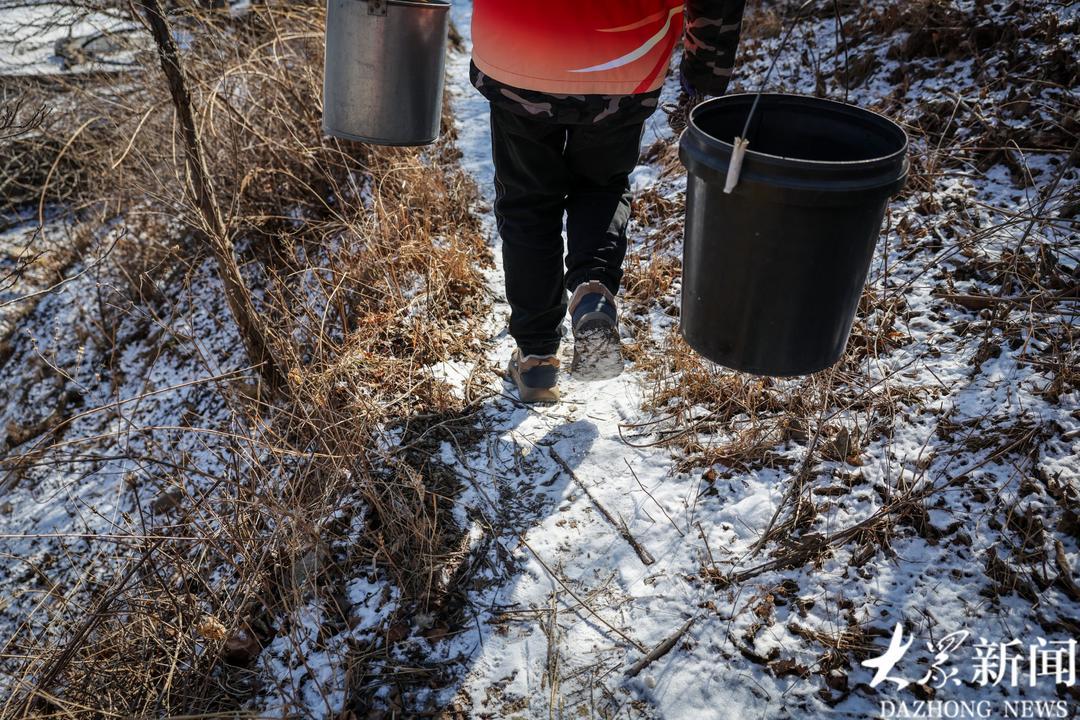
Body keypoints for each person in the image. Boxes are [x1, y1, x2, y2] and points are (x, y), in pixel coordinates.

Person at [470, 0, 747, 403]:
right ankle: (592, 294)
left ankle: (536, 360)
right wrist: (704, 78)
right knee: (602, 186)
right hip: (624, 57)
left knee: (528, 201)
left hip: (517, 48)